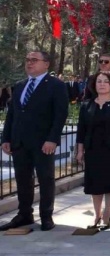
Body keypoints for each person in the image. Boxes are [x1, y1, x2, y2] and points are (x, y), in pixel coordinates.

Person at [0, 51, 69, 232]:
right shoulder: (20, 85)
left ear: (46, 64)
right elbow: (12, 114)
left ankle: (46, 216)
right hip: (20, 142)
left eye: (34, 60)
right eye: (27, 60)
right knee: (23, 180)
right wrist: (6, 138)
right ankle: (24, 214)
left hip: (43, 143)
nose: (29, 63)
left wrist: (52, 139)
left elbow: (60, 115)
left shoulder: (56, 86)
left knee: (46, 179)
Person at [75, 72, 110, 229]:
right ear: (94, 85)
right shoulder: (87, 105)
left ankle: (107, 213)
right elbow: (81, 130)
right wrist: (80, 150)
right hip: (93, 149)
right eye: (99, 81)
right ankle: (96, 214)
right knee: (95, 184)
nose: (102, 84)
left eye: (106, 81)